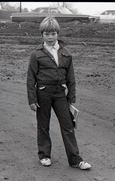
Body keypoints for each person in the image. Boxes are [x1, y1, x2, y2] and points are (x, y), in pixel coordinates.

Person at [26, 17, 91, 170]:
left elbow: (71, 78)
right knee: (43, 125)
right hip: (43, 93)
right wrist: (32, 99)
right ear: (42, 35)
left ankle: (75, 160)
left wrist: (71, 98)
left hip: (60, 94)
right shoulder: (36, 54)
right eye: (47, 34)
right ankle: (44, 155)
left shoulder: (66, 53)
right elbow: (30, 79)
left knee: (68, 126)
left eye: (53, 34)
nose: (50, 37)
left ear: (58, 34)